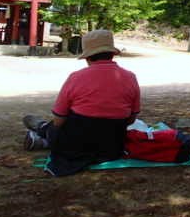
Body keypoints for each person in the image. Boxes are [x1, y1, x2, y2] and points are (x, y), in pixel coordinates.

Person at [23, 29, 141, 177]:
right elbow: (131, 119)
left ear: (87, 57)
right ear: (112, 54)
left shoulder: (76, 78)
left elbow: (59, 119)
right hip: (112, 147)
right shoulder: (130, 77)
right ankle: (42, 136)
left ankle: (42, 131)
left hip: (74, 147)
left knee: (57, 126)